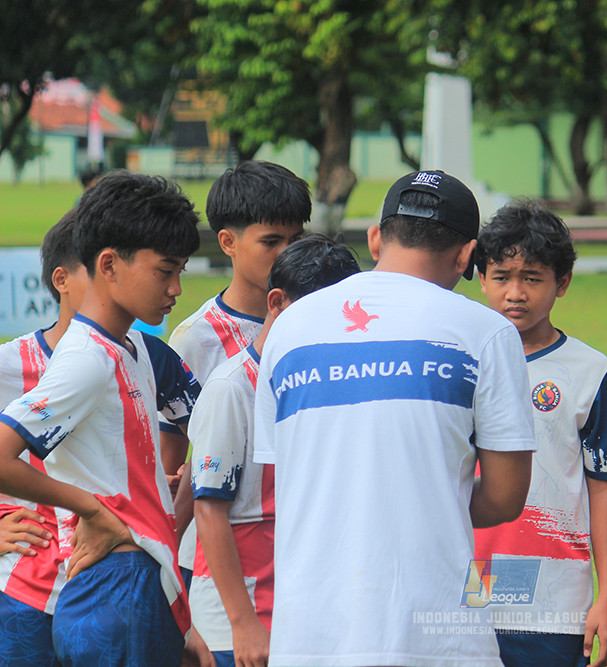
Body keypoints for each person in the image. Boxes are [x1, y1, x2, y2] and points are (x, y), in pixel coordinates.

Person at [253, 169, 536, 666]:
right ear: (468, 255)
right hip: (437, 636)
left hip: (309, 635)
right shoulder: (486, 333)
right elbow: (506, 497)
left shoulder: (289, 328)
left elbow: (284, 476)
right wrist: (428, 501)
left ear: (377, 238)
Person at [0, 171, 201, 665]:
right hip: (113, 587)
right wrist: (92, 509)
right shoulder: (87, 359)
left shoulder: (129, 347)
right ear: (109, 264)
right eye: (165, 270)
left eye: (182, 271)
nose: (176, 288)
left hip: (133, 581)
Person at [190, 236, 360, 667]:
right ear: (278, 302)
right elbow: (208, 509)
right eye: (318, 316)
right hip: (243, 615)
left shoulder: (323, 383)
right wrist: (242, 622)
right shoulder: (231, 388)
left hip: (298, 606)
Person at [473, 201, 607, 667]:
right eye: (501, 277)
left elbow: (603, 489)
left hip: (557, 600)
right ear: (482, 279)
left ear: (562, 283)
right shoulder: (461, 361)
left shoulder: (590, 370)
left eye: (532, 278)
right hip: (470, 591)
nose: (515, 292)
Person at [169, 160, 309, 588]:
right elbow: (173, 465)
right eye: (271, 241)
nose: (287, 254)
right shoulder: (196, 339)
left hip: (301, 539)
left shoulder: (316, 322)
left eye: (295, 240)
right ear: (228, 242)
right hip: (218, 558)